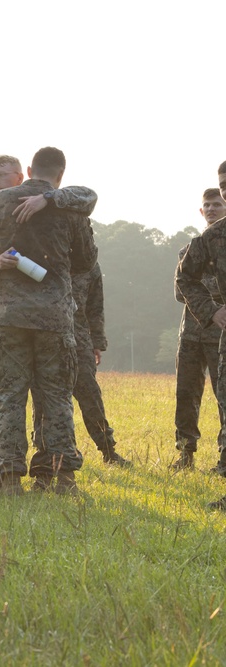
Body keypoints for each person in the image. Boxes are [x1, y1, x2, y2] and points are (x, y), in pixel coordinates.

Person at [0, 147, 98, 494]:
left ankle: (8, 477)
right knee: (57, 397)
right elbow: (86, 261)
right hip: (55, 316)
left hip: (8, 316)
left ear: (29, 169)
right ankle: (61, 477)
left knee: (8, 397)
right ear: (61, 174)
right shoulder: (70, 207)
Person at [177, 163, 226, 511]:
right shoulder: (210, 239)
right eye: (223, 185)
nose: (222, 194)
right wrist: (213, 310)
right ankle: (186, 452)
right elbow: (184, 282)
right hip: (205, 334)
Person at [63, 262, 131, 466]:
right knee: (48, 398)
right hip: (44, 334)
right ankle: (55, 453)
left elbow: (95, 306)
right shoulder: (45, 251)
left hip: (79, 337)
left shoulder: (89, 264)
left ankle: (108, 450)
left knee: (90, 394)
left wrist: (97, 342)